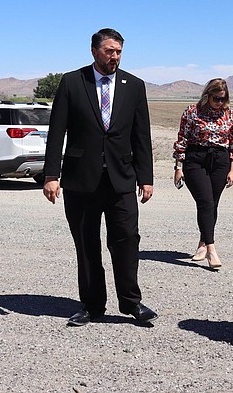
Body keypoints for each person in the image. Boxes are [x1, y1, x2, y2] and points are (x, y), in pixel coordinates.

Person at [43, 28, 158, 327]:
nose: (115, 57)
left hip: (121, 178)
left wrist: (146, 177)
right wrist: (51, 175)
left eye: (119, 51)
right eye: (109, 51)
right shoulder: (72, 82)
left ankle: (131, 302)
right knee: (87, 243)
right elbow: (57, 132)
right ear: (94, 51)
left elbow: (140, 135)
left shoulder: (134, 85)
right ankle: (92, 305)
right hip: (81, 180)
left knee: (127, 240)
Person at [173, 78, 233, 268]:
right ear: (207, 96)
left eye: (223, 99)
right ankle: (211, 249)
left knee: (212, 203)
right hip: (196, 159)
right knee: (206, 202)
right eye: (217, 99)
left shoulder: (231, 114)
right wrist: (178, 167)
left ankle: (202, 244)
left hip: (220, 160)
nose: (220, 103)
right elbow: (182, 140)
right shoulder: (192, 112)